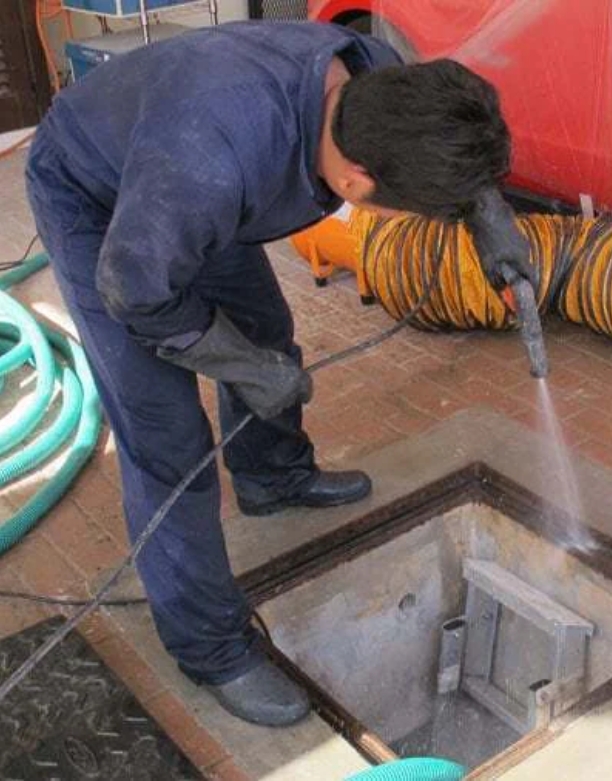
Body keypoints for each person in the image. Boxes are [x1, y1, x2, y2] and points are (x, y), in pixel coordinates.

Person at [26, 20, 524, 727]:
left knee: (264, 331)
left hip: (183, 176)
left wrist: (490, 221)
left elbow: (442, 127)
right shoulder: (214, 158)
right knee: (166, 434)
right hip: (97, 198)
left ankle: (272, 476)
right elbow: (133, 288)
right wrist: (240, 367)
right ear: (354, 183)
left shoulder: (372, 79)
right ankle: (209, 647)